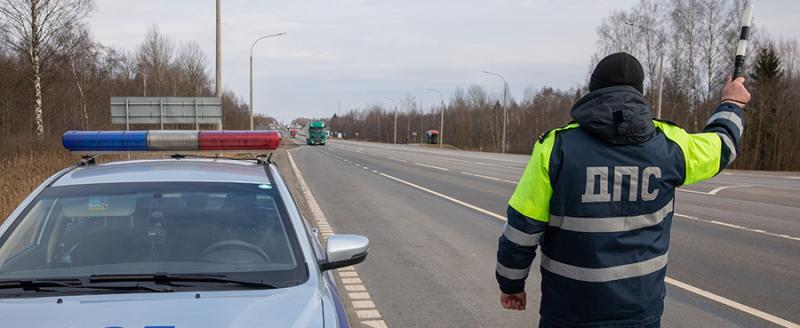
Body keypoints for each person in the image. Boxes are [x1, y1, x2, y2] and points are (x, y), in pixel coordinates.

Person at [495, 52, 750, 327]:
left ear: (593, 90)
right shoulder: (670, 145)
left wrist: (512, 285)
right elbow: (722, 145)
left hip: (569, 313)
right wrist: (731, 103)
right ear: (640, 93)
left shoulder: (556, 148)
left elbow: (522, 229)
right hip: (640, 314)